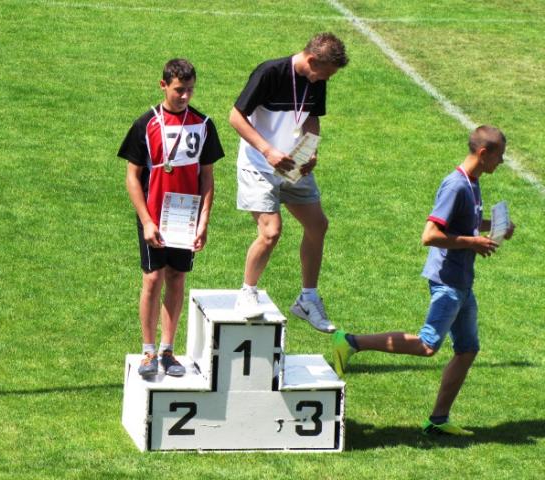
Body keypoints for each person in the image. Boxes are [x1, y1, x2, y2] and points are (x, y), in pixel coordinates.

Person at [330, 126, 515, 435]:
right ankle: (350, 342)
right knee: (428, 345)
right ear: (483, 154)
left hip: (462, 280)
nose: (502, 161)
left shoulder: (472, 183)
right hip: (448, 280)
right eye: (500, 156)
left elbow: (464, 221)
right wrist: (473, 242)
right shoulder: (455, 186)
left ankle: (438, 421)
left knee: (467, 349)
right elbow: (429, 235)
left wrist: (495, 226)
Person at [229, 32, 349, 332]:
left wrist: (311, 149)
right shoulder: (270, 72)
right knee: (271, 232)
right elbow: (236, 117)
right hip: (259, 165)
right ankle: (247, 292)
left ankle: (307, 299)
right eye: (326, 73)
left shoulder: (316, 79)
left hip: (293, 165)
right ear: (312, 60)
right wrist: (267, 151)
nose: (327, 80)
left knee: (318, 225)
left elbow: (311, 117)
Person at [118, 59, 224, 378]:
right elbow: (132, 177)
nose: (185, 96)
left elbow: (207, 177)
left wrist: (203, 220)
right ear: (163, 85)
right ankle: (148, 351)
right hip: (154, 213)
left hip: (185, 215)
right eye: (179, 90)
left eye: (190, 90)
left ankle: (167, 350)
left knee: (177, 277)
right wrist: (146, 221)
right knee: (153, 278)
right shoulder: (146, 123)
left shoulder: (203, 125)